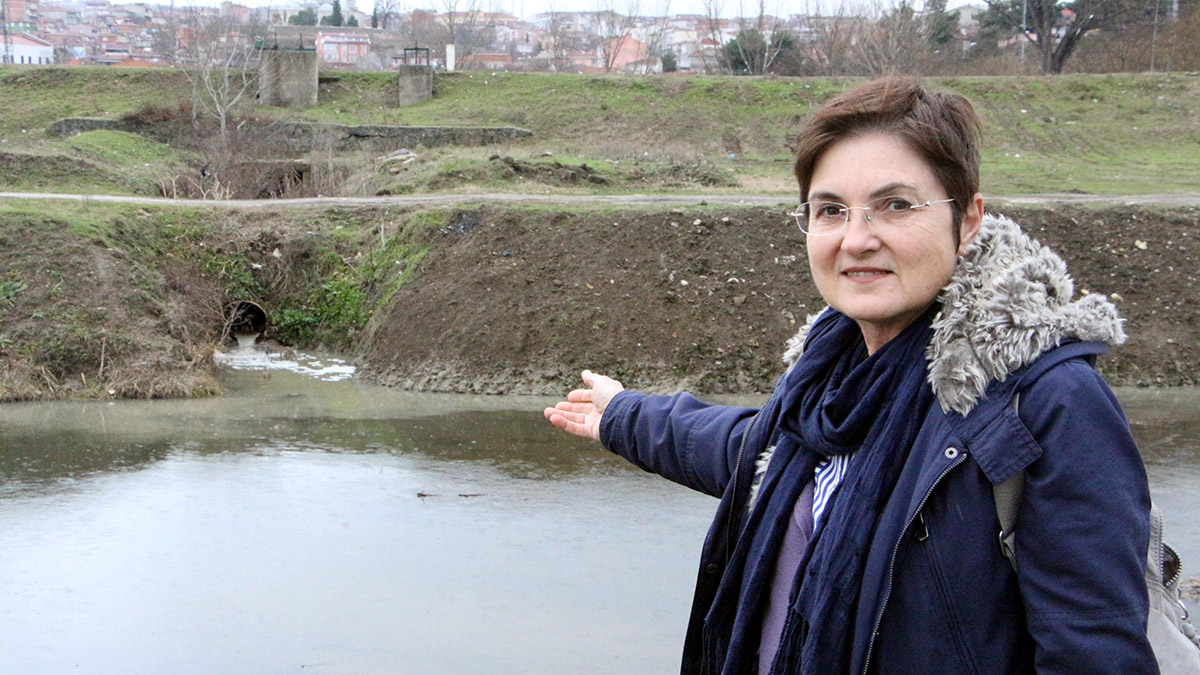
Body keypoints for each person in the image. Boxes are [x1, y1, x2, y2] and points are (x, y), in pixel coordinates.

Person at [543, 77, 1156, 674]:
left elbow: (1094, 648)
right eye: (831, 210)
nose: (857, 239)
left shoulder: (1049, 401)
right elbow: (768, 456)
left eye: (895, 205)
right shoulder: (829, 376)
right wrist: (626, 415)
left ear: (967, 221)